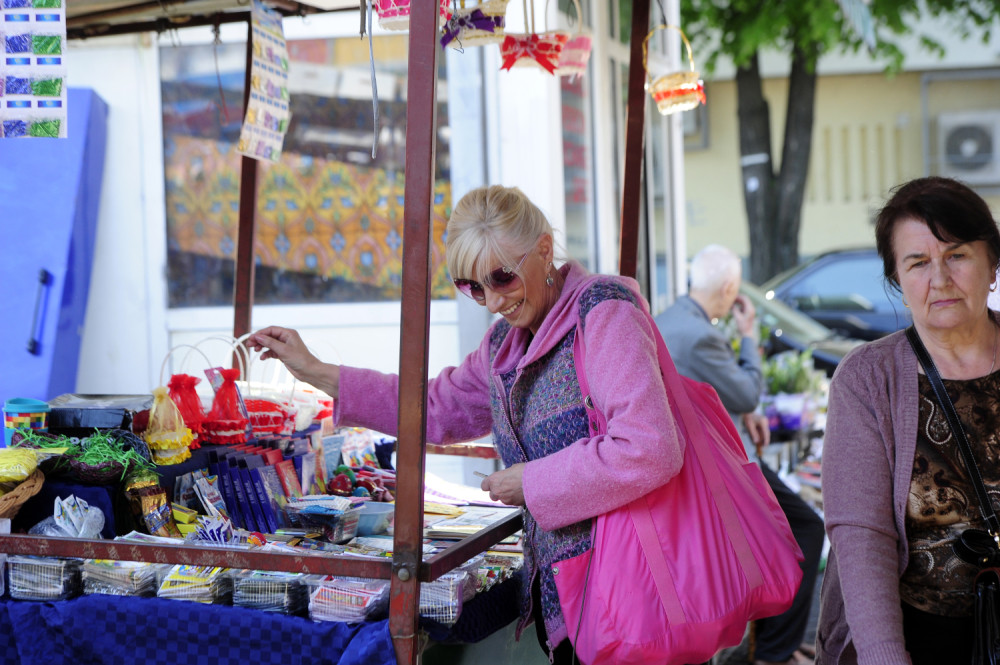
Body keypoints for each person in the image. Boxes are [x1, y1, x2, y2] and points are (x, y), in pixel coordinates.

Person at [247, 185, 687, 664]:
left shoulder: (603, 312)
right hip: (577, 603)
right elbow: (436, 409)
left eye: (502, 277)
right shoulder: (505, 342)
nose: (491, 302)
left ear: (544, 250)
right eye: (471, 286)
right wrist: (317, 371)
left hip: (641, 590)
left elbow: (649, 446)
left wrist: (532, 481)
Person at [817, 176, 1000, 665]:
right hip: (919, 637)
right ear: (898, 279)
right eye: (918, 262)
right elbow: (861, 536)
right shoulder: (867, 379)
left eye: (957, 254)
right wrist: (883, 656)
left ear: (992, 263)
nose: (939, 278)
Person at [655, 244, 824, 665]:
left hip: (690, 464)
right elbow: (747, 391)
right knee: (806, 529)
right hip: (721, 467)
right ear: (731, 288)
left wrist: (740, 413)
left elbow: (705, 394)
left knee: (777, 537)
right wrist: (748, 336)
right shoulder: (701, 336)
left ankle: (771, 644)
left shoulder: (665, 321)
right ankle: (773, 650)